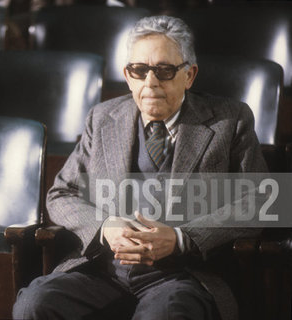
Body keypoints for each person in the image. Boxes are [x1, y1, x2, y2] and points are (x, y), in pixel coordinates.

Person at [13, 15, 267, 320]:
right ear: (127, 75)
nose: (151, 83)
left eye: (164, 70)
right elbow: (61, 193)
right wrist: (105, 227)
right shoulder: (103, 117)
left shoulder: (230, 120)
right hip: (103, 270)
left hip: (181, 275)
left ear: (190, 75)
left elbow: (260, 199)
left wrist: (182, 238)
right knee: (35, 304)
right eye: (139, 70)